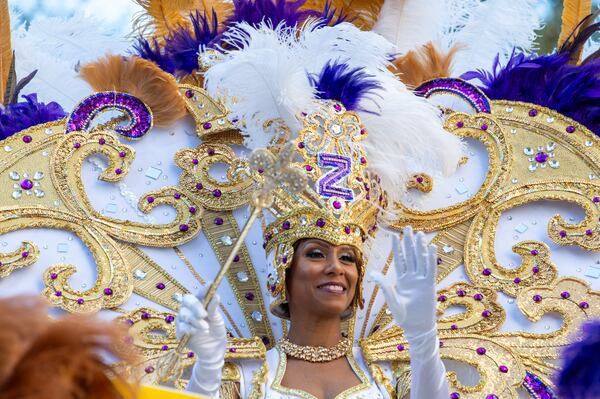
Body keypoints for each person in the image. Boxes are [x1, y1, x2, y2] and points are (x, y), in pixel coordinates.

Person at [177, 227, 448, 399]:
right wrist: (209, 366)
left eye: (347, 258)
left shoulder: (388, 373)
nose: (336, 268)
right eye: (317, 254)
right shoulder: (247, 377)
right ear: (284, 271)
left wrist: (423, 338)